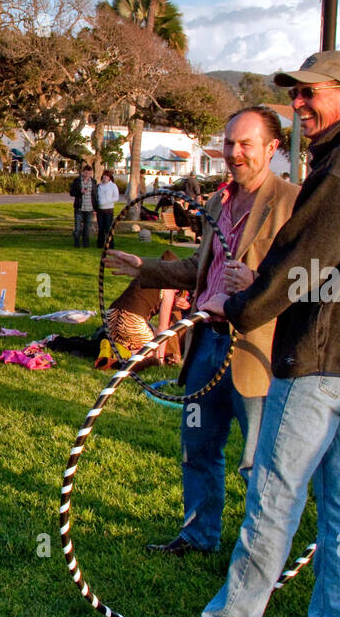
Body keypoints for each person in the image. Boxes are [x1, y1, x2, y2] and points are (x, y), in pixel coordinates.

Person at [149, 50, 340, 617]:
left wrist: (238, 306)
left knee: (273, 496)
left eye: (309, 93)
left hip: (320, 359)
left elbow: (296, 264)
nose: (299, 104)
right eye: (294, 94)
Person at [107, 107, 300, 556]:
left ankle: (259, 556)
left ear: (272, 148)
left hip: (255, 349)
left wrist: (257, 285)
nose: (234, 152)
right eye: (229, 142)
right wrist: (146, 267)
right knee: (198, 447)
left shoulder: (292, 202)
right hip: (205, 343)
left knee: (257, 462)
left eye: (245, 144)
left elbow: (305, 277)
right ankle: (198, 536)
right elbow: (200, 268)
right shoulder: (218, 202)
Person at [68, 165, 99, 248]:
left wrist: (96, 208)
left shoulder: (93, 182)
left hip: (89, 209)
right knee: (77, 228)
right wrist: (80, 191)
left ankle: (86, 244)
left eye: (89, 173)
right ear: (83, 172)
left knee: (87, 228)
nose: (87, 175)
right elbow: (71, 193)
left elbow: (95, 196)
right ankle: (77, 244)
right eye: (85, 173)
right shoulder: (77, 181)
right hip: (79, 208)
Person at [95, 171, 120, 248]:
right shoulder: (99, 186)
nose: (105, 178)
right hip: (100, 210)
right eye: (103, 177)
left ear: (109, 178)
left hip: (108, 209)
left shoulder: (113, 186)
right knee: (101, 228)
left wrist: (105, 202)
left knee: (108, 227)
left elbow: (116, 197)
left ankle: (110, 244)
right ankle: (100, 244)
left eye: (106, 177)